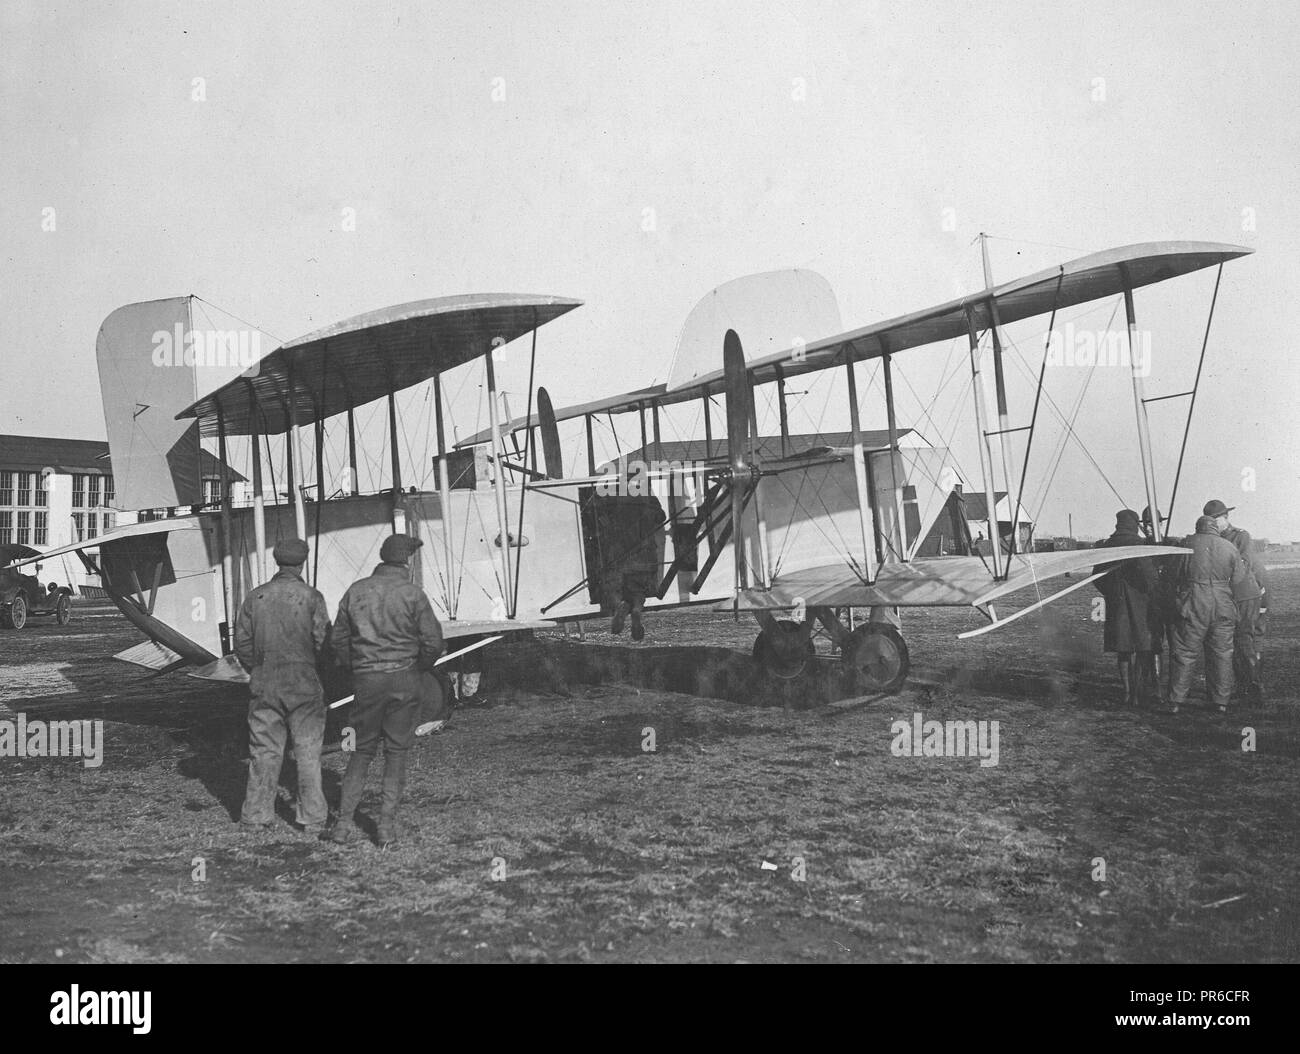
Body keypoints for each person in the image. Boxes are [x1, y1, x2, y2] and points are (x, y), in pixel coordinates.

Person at [329, 534, 443, 847]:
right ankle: (386, 827)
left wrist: (358, 666)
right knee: (396, 753)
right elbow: (434, 643)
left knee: (359, 751)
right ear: (406, 560)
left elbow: (338, 639)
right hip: (404, 679)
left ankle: (341, 825)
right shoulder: (412, 593)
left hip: (367, 681)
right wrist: (416, 668)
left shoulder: (356, 591)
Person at [233, 538, 331, 834]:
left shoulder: (255, 597)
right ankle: (312, 818)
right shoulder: (312, 597)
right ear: (302, 562)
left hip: (265, 682)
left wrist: (260, 669)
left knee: (264, 750)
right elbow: (323, 641)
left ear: (277, 561)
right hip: (303, 683)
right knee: (308, 751)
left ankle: (255, 815)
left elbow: (242, 644)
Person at [1167, 515, 1249, 714]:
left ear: (1198, 528)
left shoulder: (1185, 546)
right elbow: (1239, 579)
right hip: (1222, 603)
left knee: (1185, 652)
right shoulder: (1229, 546)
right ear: (1215, 528)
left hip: (1193, 602)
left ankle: (1176, 701)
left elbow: (1171, 575)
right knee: (1222, 653)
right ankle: (1221, 701)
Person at [1093, 510, 1163, 707]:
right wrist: (1150, 593)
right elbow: (1150, 577)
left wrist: (1112, 592)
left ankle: (1126, 691)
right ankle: (1138, 693)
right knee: (1142, 647)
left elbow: (1096, 576)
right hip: (1140, 604)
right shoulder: (1139, 545)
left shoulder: (1107, 545)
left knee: (1123, 649)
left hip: (1117, 604)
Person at [1204, 499, 1268, 706]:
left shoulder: (1241, 536)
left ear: (1226, 518)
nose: (1214, 523)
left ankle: (1254, 687)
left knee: (1243, 640)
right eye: (1210, 519)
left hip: (1244, 595)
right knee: (1233, 642)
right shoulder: (1213, 538)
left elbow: (1242, 564)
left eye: (1217, 519)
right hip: (1230, 596)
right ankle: (1244, 687)